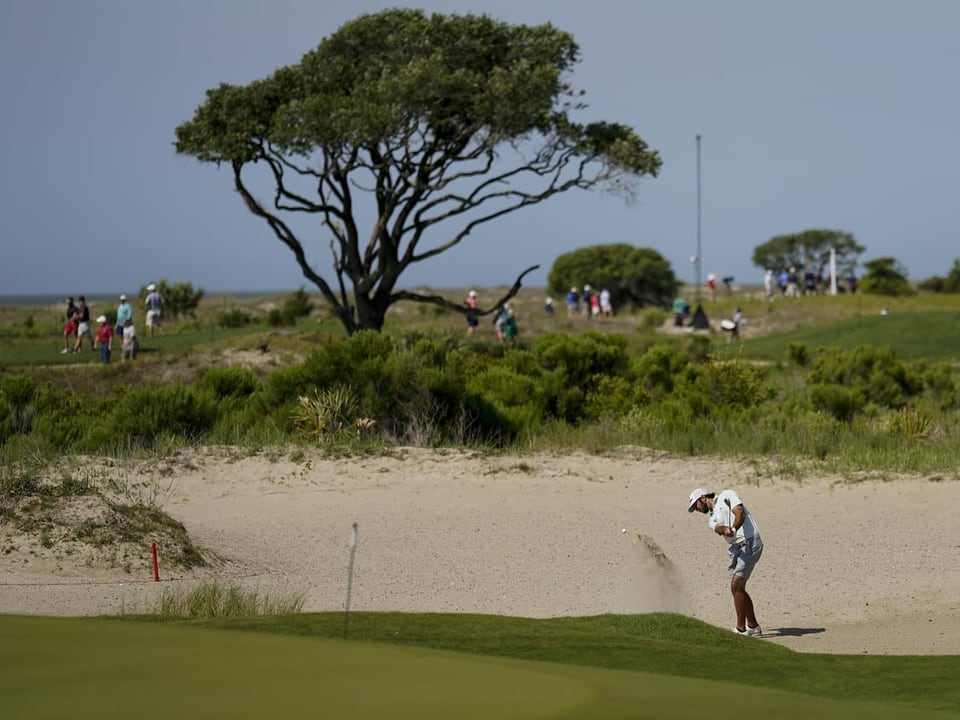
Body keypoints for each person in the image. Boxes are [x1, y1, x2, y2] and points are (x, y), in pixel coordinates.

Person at [687, 487, 763, 636]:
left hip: (751, 543)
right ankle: (753, 625)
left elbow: (739, 512)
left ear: (702, 498)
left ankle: (741, 629)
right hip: (738, 548)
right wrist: (727, 530)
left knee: (736, 586)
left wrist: (734, 528)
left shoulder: (727, 495)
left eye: (696, 505)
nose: (696, 509)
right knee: (738, 588)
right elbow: (718, 528)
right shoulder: (712, 517)